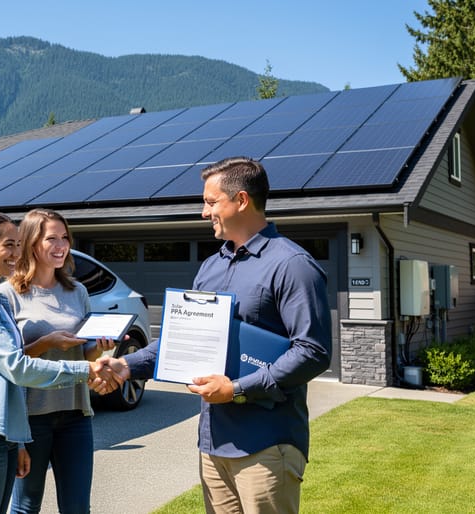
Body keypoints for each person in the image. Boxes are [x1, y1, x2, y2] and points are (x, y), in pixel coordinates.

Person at [99, 157, 331, 514]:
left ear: (240, 200)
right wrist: (126, 365)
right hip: (214, 443)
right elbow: (181, 340)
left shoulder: (292, 265)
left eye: (210, 202)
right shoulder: (211, 267)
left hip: (266, 444)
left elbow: (312, 351)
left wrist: (236, 390)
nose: (204, 212)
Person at [0, 211, 121, 514]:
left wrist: (94, 353)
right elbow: (16, 365)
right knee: (24, 506)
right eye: (8, 245)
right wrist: (79, 366)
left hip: (12, 429)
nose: (14, 253)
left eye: (16, 245)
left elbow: (10, 364)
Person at [0, 209, 115, 514]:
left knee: (77, 508)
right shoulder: (8, 294)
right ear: (31, 242)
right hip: (29, 417)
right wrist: (46, 343)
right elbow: (7, 362)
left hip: (75, 414)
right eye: (52, 238)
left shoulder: (77, 291)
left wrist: (99, 349)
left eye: (64, 238)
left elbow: (83, 353)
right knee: (25, 505)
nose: (61, 245)